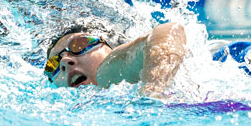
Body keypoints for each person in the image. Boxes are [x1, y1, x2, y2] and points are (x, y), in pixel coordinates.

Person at [43, 22, 186, 98]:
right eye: (52, 65)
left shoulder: (107, 74)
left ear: (112, 47)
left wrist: (154, 90)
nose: (64, 61)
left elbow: (169, 31)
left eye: (79, 45)